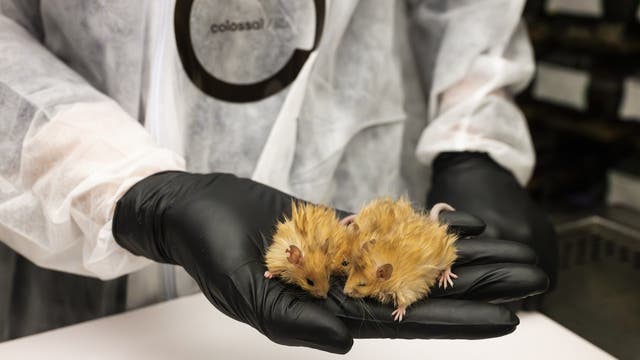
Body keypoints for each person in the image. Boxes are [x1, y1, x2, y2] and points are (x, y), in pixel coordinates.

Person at [0, 0, 554, 353]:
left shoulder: (364, 257)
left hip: (351, 169)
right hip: (85, 259)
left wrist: (472, 135)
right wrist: (122, 188)